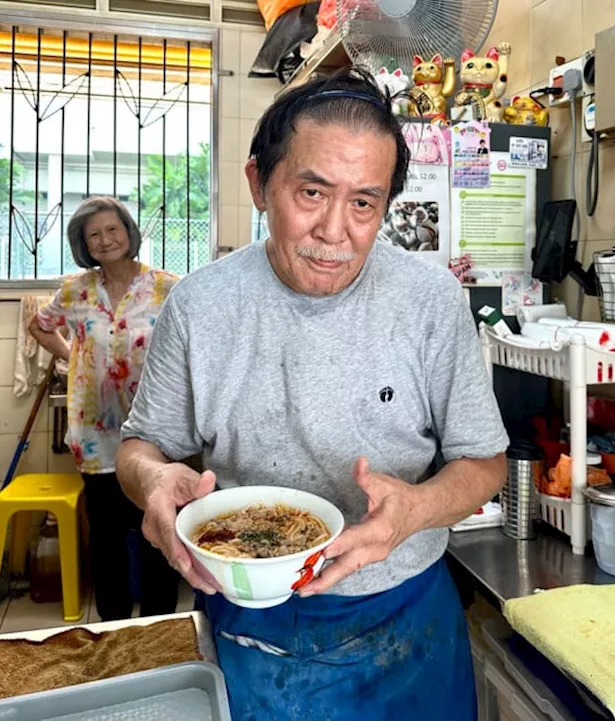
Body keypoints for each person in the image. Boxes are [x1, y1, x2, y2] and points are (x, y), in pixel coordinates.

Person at [115, 68, 508, 720]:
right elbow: (139, 447)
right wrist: (154, 480)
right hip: (250, 623)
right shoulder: (200, 305)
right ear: (259, 184)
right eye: (312, 192)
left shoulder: (430, 301)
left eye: (364, 203)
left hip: (407, 620)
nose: (335, 230)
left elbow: (484, 462)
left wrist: (414, 508)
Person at [28, 196, 182, 621]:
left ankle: (159, 629)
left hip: (154, 433)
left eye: (112, 229)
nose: (105, 240)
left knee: (158, 534)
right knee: (108, 538)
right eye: (93, 234)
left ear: (128, 232)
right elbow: (39, 326)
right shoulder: (75, 290)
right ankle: (113, 632)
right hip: (94, 435)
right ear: (84, 244)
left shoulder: (167, 286)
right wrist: (71, 356)